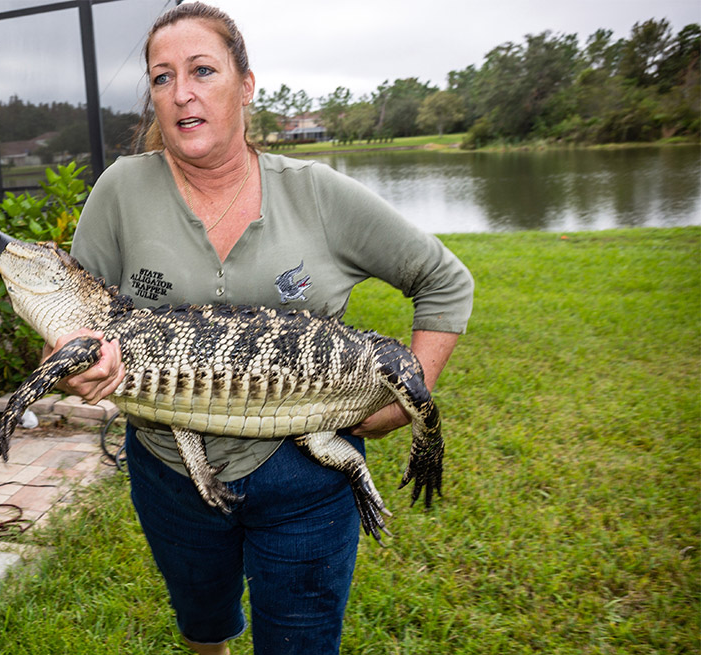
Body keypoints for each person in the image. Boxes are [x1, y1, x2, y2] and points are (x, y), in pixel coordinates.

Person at [44, 4, 474, 654]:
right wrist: (76, 361)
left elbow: (445, 280)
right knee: (204, 629)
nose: (181, 92)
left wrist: (403, 400)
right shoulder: (121, 192)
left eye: (202, 70)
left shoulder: (319, 194)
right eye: (162, 77)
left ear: (246, 86)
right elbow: (74, 313)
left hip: (305, 475)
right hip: (170, 470)